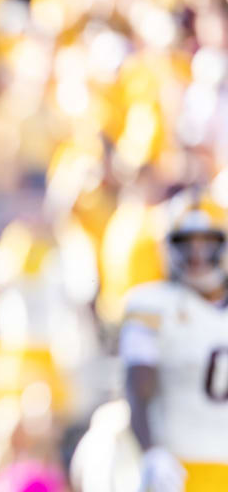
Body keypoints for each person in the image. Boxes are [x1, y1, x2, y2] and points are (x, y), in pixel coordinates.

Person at [120, 192, 228, 492]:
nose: (196, 254)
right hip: (178, 468)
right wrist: (151, 452)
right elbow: (138, 388)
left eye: (207, 243)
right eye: (186, 243)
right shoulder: (152, 304)